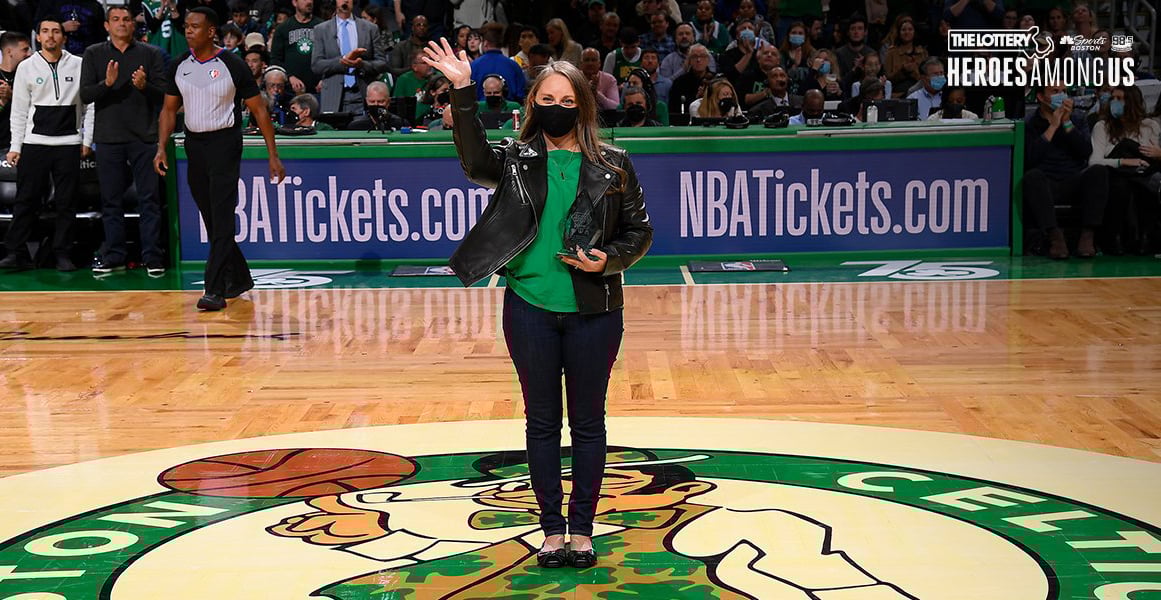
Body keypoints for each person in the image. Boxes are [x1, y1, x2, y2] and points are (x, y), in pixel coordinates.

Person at [423, 37, 652, 569]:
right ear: (532, 105)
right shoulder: (513, 161)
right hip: (528, 308)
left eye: (567, 101)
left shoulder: (615, 163)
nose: (556, 109)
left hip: (595, 311)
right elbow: (473, 161)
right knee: (542, 423)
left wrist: (609, 260)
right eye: (547, 100)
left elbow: (639, 232)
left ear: (583, 106)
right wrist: (463, 90)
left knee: (588, 424)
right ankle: (551, 530)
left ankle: (583, 529)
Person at [153, 6, 285, 310]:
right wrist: (161, 147)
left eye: (195, 26)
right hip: (193, 146)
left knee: (222, 216)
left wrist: (273, 155)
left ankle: (214, 290)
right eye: (186, 26)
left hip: (225, 143)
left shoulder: (232, 64)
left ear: (211, 31)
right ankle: (239, 278)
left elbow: (259, 110)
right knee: (211, 218)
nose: (188, 30)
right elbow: (168, 110)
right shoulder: (179, 65)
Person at [0, 16, 93, 272]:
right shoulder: (26, 67)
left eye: (56, 31)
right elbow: (19, 110)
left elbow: (90, 106)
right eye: (45, 31)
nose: (50, 36)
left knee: (66, 202)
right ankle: (15, 252)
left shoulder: (80, 64)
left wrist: (86, 139)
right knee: (26, 200)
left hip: (69, 143)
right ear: (38, 37)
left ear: (64, 37)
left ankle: (62, 252)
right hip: (35, 143)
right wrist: (16, 146)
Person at [81, 5, 168, 276]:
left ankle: (152, 256)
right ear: (106, 26)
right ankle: (115, 255)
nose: (122, 23)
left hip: (144, 138)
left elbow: (165, 96)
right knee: (111, 201)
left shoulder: (151, 53)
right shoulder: (94, 53)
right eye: (116, 19)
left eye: (127, 19)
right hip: (108, 138)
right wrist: (106, 84)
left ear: (134, 24)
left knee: (149, 199)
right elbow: (85, 95)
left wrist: (145, 86)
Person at [1023, 82, 1105, 259]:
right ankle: (1055, 236)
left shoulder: (1077, 118)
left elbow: (1085, 151)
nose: (1061, 95)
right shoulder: (1030, 123)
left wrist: (1067, 123)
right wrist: (1052, 126)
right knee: (1032, 177)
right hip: (1046, 182)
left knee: (1098, 172)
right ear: (1040, 97)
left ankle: (1087, 235)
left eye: (1064, 91)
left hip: (1073, 179)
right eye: (1055, 91)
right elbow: (1031, 158)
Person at [1088, 85, 1160, 255]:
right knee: (1121, 185)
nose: (1114, 102)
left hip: (1143, 174)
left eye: (1120, 99)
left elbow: (1152, 159)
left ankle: (1146, 239)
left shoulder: (1150, 126)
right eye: (1113, 98)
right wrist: (1122, 162)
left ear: (1132, 102)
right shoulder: (1102, 127)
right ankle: (1115, 239)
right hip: (1115, 175)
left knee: (1150, 182)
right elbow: (1094, 161)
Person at [311, 0, 388, 115]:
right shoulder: (321, 30)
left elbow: (381, 63)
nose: (345, 1)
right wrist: (341, 62)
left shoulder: (370, 28)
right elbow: (316, 65)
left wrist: (362, 64)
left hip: (363, 95)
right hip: (333, 97)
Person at [268, 0, 320, 95]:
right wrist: (289, 77)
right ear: (295, 3)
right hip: (290, 90)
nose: (309, 2)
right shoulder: (283, 28)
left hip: (318, 89)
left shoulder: (322, 26)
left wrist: (325, 79)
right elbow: (275, 60)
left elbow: (331, 55)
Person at [0, 31, 33, 151]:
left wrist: (11, 95)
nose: (29, 54)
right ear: (9, 51)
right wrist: (2, 103)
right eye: (25, 50)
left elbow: (37, 106)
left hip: (25, 143)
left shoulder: (30, 76)